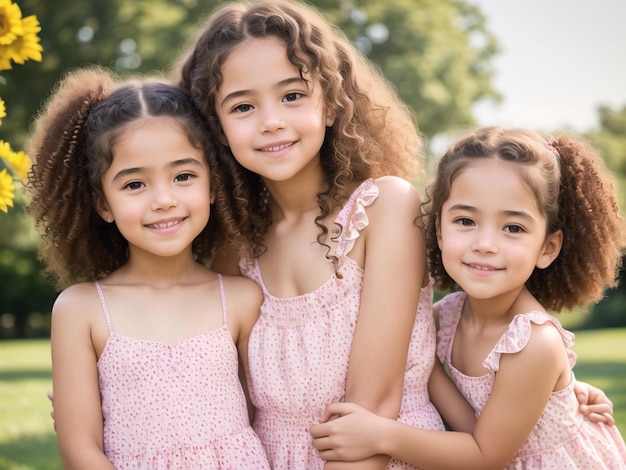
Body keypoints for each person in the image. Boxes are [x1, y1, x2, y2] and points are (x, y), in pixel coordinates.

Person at [176, 1, 616, 468]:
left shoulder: (383, 208)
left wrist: (552, 397)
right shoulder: (235, 252)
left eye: (292, 96)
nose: (270, 121)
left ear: (330, 103)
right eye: (243, 106)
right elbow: (229, 402)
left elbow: (377, 401)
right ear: (217, 129)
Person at [309, 126, 626, 469]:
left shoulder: (532, 343)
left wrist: (380, 434)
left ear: (547, 247)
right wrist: (418, 356)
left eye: (513, 228)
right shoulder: (447, 316)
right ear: (439, 231)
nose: (485, 244)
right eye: (465, 220)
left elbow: (484, 455)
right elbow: (468, 422)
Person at [27, 67, 269, 469]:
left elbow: (264, 420)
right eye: (134, 184)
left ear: (212, 185)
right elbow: (80, 450)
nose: (163, 200)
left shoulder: (242, 298)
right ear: (103, 203)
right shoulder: (80, 310)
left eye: (183, 176)